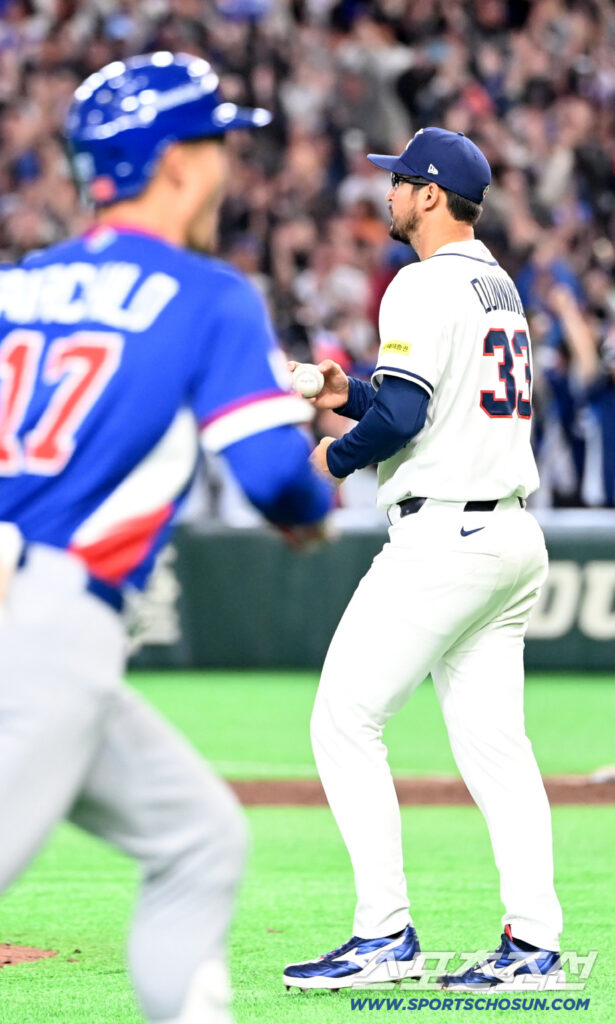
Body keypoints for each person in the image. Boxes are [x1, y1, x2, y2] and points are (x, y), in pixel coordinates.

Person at [0, 53, 332, 1024]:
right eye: (216, 146)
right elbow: (272, 476)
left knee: (199, 840)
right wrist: (313, 505)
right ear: (174, 163)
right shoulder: (206, 293)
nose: (226, 168)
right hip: (49, 633)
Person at [282, 128, 565, 993]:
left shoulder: (418, 281)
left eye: (401, 181)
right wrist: (351, 396)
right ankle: (534, 945)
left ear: (431, 195)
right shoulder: (494, 283)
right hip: (507, 536)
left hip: (445, 539)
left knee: (342, 720)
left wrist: (333, 457)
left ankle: (382, 935)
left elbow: (405, 418)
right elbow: (421, 403)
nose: (390, 192)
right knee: (497, 751)